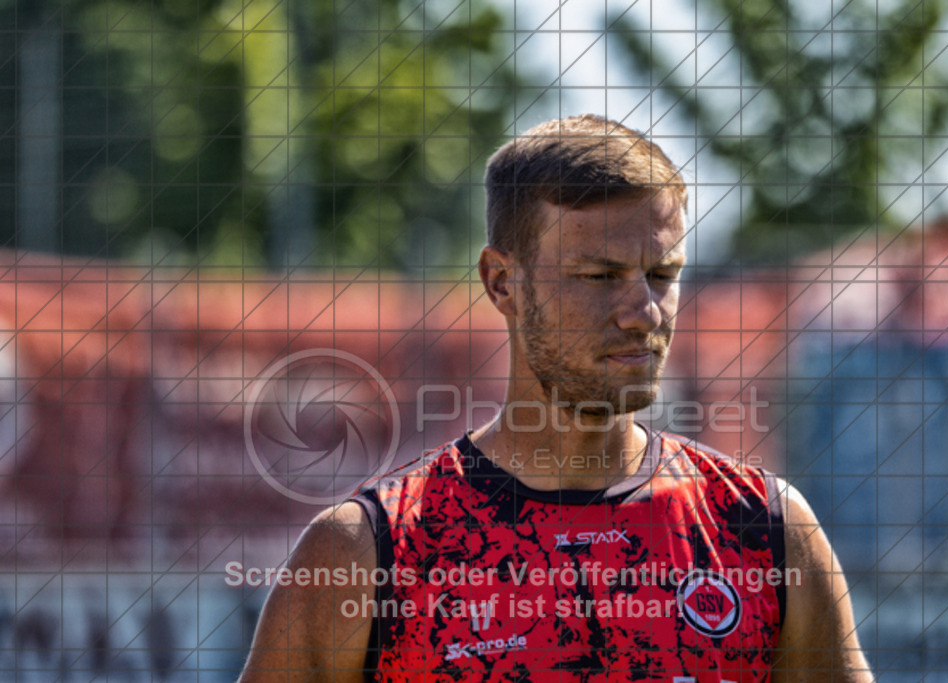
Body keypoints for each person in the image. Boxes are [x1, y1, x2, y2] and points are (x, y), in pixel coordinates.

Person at [238, 115, 873, 682]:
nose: (644, 313)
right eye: (599, 277)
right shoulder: (370, 551)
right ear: (501, 281)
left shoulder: (763, 530)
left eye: (663, 276)